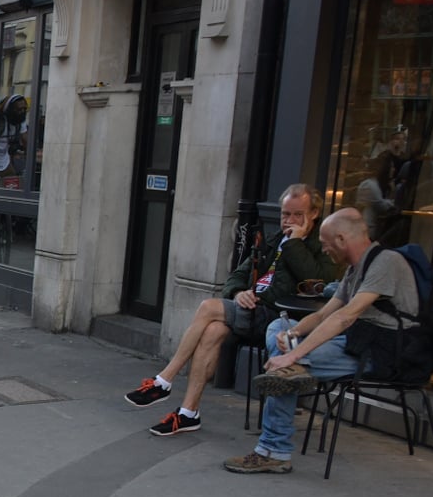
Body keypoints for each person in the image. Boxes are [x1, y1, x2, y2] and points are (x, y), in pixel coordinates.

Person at [123, 184, 336, 437]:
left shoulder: (320, 243)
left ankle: (164, 380)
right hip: (253, 308)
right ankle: (188, 413)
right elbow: (238, 274)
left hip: (279, 317)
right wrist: (238, 293)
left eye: (297, 215)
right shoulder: (275, 238)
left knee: (208, 307)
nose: (289, 220)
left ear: (313, 214)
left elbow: (317, 281)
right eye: (284, 214)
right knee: (212, 330)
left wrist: (294, 244)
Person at [227, 207, 401, 476]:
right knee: (278, 328)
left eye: (324, 244)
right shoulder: (356, 269)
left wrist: (293, 355)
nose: (324, 250)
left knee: (287, 368)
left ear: (342, 239)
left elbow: (345, 317)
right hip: (354, 341)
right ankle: (289, 376)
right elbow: (323, 315)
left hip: (378, 351)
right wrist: (293, 335)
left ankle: (274, 450)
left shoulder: (385, 262)